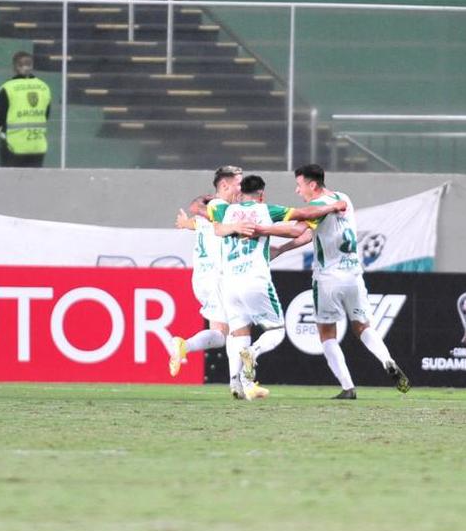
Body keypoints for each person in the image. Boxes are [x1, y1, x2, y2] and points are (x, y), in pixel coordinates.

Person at [269, 164, 411, 399]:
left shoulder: (315, 206)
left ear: (312, 185)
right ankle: (387, 359)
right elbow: (309, 233)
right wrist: (282, 250)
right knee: (363, 326)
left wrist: (261, 230)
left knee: (326, 334)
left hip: (328, 278)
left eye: (299, 185)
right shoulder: (343, 198)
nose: (297, 190)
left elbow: (297, 231)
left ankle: (348, 387)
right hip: (353, 274)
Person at [209, 175, 347, 401]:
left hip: (229, 283)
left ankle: (238, 384)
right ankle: (253, 353)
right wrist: (333, 206)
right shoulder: (265, 210)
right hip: (255, 279)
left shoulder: (225, 211)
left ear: (240, 192)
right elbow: (301, 221)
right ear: (261, 195)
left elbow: (215, 226)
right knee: (276, 331)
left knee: (239, 332)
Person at [168, 165, 244, 396]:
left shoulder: (211, 210)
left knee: (222, 333)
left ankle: (236, 383)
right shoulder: (221, 209)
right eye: (238, 183)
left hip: (202, 278)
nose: (241, 189)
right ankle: (237, 382)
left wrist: (184, 223)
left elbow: (191, 222)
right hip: (216, 277)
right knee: (235, 332)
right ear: (224, 185)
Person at [0, 50, 52, 167]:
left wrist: (3, 134)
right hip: (37, 146)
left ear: (14, 67)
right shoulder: (44, 87)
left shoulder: (8, 88)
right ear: (32, 66)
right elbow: (46, 115)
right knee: (33, 182)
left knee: (10, 183)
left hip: (13, 146)